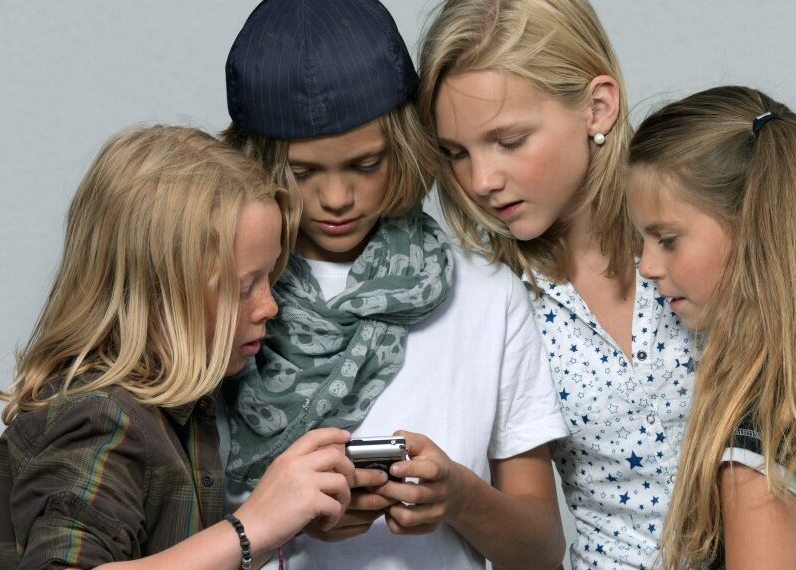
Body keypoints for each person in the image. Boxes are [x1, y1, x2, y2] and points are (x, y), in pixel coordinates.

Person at [220, 1, 569, 568]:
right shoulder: (220, 301)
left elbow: (543, 551)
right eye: (302, 172)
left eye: (365, 164)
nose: (336, 199)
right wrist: (283, 521)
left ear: (405, 145)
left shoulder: (487, 295)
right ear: (255, 159)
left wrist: (459, 497)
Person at [0, 126, 358, 570]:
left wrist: (288, 520)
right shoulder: (98, 419)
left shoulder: (179, 412)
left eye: (272, 278)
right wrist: (253, 526)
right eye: (243, 287)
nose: (270, 307)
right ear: (159, 293)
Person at [416, 0, 698, 567]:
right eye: (456, 153)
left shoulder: (703, 232)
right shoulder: (495, 299)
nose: (481, 180)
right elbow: (533, 543)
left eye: (509, 140)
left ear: (597, 107)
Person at [626, 85, 796, 570]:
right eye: (642, 241)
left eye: (667, 239)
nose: (648, 266)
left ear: (752, 229)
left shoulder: (766, 413)